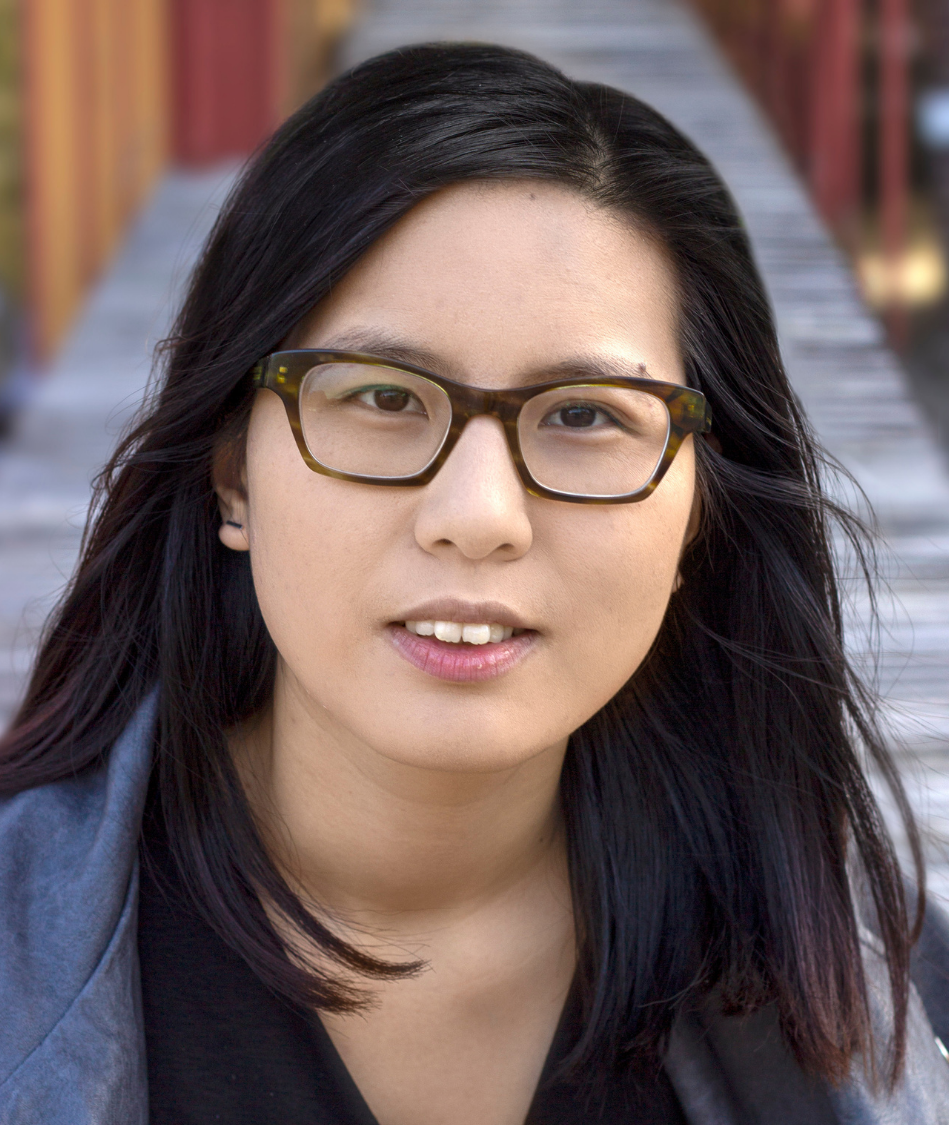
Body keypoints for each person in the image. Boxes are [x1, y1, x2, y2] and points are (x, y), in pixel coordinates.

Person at [1, 42, 947, 1125]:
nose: (478, 518)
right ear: (233, 477)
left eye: (586, 415)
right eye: (383, 399)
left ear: (700, 513)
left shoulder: (843, 971)